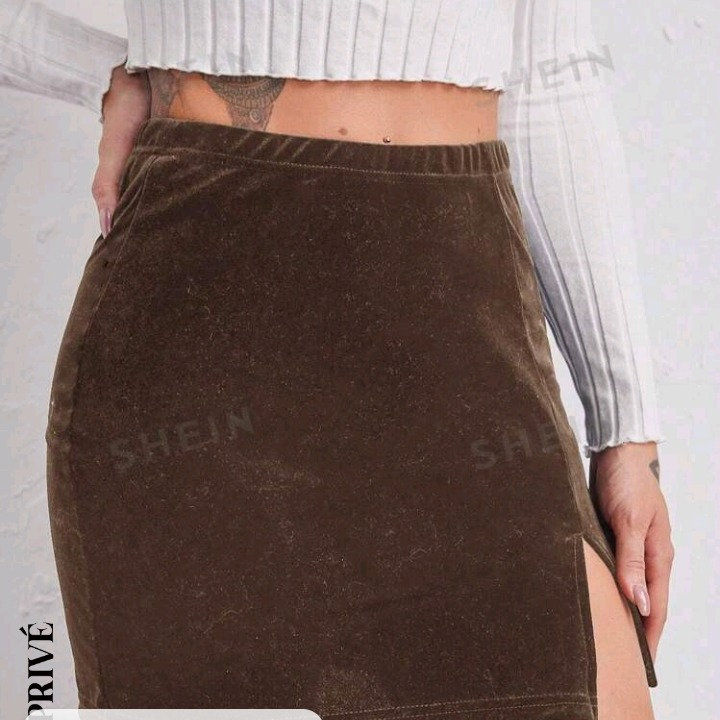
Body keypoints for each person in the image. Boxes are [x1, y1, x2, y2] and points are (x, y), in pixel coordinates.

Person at [1, 1, 674, 718]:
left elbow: (552, 76)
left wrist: (626, 436)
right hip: (199, 356)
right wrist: (105, 75)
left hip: (460, 345)